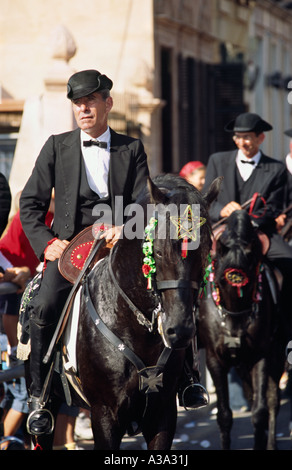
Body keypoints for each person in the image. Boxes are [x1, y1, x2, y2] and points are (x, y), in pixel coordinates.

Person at [203, 112, 292, 341]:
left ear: (261, 138)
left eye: (248, 137)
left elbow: (273, 209)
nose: (242, 142)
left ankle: (285, 327)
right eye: (238, 137)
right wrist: (221, 209)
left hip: (259, 233)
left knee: (290, 262)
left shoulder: (277, 169)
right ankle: (193, 328)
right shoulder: (217, 160)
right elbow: (207, 201)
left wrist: (246, 220)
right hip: (222, 232)